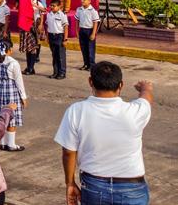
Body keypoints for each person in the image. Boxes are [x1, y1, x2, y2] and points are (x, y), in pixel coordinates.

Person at [54, 61, 152, 205]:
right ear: (121, 85)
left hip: (94, 185)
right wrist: (145, 88)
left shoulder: (76, 110)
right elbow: (146, 99)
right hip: (132, 187)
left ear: (90, 82)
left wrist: (70, 183)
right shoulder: (135, 111)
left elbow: (68, 152)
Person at [0, 40, 26, 152]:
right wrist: (23, 97)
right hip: (10, 91)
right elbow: (19, 81)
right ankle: (11, 144)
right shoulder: (13, 63)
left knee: (0, 116)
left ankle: (2, 143)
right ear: (9, 50)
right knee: (11, 118)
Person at [19, 0, 46, 76]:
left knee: (33, 47)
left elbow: (43, 11)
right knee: (28, 48)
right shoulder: (25, 3)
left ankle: (31, 67)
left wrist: (41, 24)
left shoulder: (38, 3)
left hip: (35, 25)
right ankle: (29, 67)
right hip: (27, 25)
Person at [74, 0, 100, 71]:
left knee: (90, 49)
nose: (82, 1)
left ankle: (91, 65)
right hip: (82, 30)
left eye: (84, 0)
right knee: (83, 48)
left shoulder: (93, 11)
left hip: (89, 30)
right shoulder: (79, 9)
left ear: (89, 1)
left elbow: (95, 22)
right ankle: (86, 64)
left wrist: (93, 33)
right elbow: (77, 21)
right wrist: (77, 32)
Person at [45, 0, 70, 80]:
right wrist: (47, 37)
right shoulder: (49, 14)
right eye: (51, 5)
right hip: (51, 36)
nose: (52, 7)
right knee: (54, 55)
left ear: (59, 6)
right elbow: (47, 26)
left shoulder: (62, 15)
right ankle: (55, 72)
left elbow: (66, 27)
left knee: (60, 56)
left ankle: (62, 73)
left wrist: (65, 39)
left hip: (59, 36)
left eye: (54, 6)